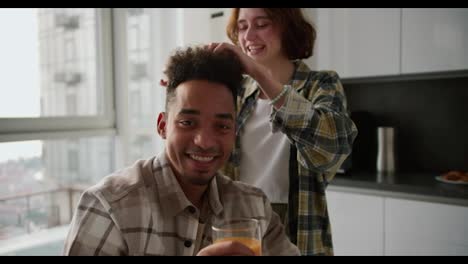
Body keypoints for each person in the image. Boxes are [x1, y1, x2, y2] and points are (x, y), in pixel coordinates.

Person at [63, 47, 300, 256]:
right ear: (163, 126)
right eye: (188, 123)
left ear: (234, 133)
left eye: (222, 126)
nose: (205, 142)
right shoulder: (109, 207)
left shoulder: (254, 208)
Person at [207, 8, 358, 255]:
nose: (249, 36)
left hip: (296, 228)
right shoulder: (236, 91)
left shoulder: (321, 84)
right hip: (239, 223)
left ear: (287, 26)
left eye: (261, 24)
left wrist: (258, 73)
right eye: (243, 27)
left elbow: (330, 149)